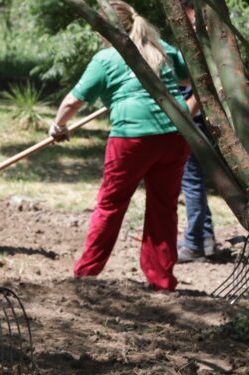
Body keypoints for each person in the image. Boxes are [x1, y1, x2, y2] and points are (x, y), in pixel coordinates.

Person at [49, 0, 190, 291]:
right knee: (164, 207)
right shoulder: (162, 47)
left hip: (133, 138)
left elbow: (73, 101)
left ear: (104, 29)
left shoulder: (106, 58)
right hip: (176, 134)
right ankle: (162, 279)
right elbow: (191, 79)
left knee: (111, 204)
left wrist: (58, 125)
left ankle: (87, 273)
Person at [177, 0, 215, 263]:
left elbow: (202, 86)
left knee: (191, 182)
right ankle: (207, 238)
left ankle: (194, 244)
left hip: (196, 119)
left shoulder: (201, 42)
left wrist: (187, 114)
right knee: (196, 182)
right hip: (197, 116)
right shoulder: (200, 40)